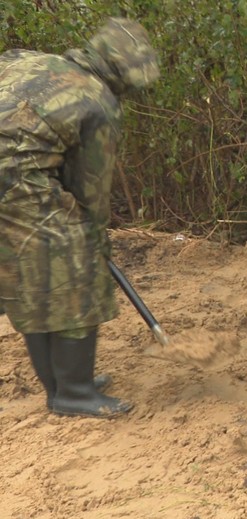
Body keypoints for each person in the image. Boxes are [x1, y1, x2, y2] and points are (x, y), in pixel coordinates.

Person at [0, 17, 160, 418]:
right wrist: (95, 237)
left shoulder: (31, 60)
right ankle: (73, 391)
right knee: (77, 273)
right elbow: (90, 188)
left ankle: (58, 384)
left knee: (29, 277)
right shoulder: (98, 101)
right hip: (17, 182)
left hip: (12, 180)